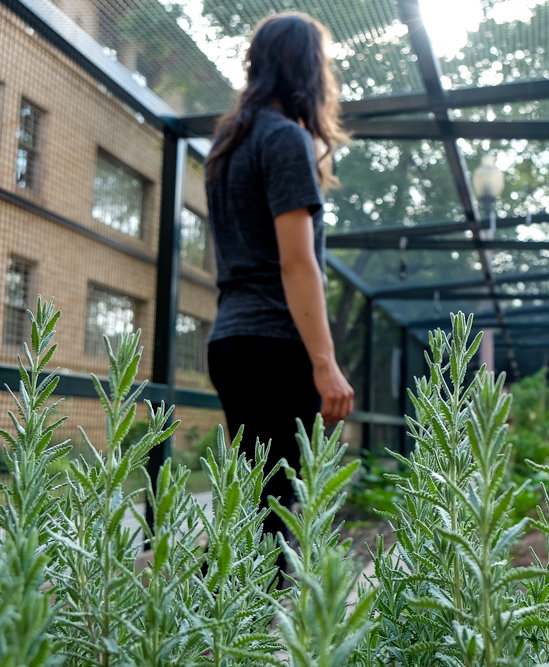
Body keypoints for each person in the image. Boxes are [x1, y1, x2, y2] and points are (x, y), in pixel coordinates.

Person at [204, 12, 354, 551]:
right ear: (307, 69)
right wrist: (325, 362)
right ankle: (247, 632)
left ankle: (217, 626)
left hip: (230, 341)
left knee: (252, 504)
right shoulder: (284, 139)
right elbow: (297, 262)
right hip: (276, 346)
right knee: (273, 513)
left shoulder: (228, 145)